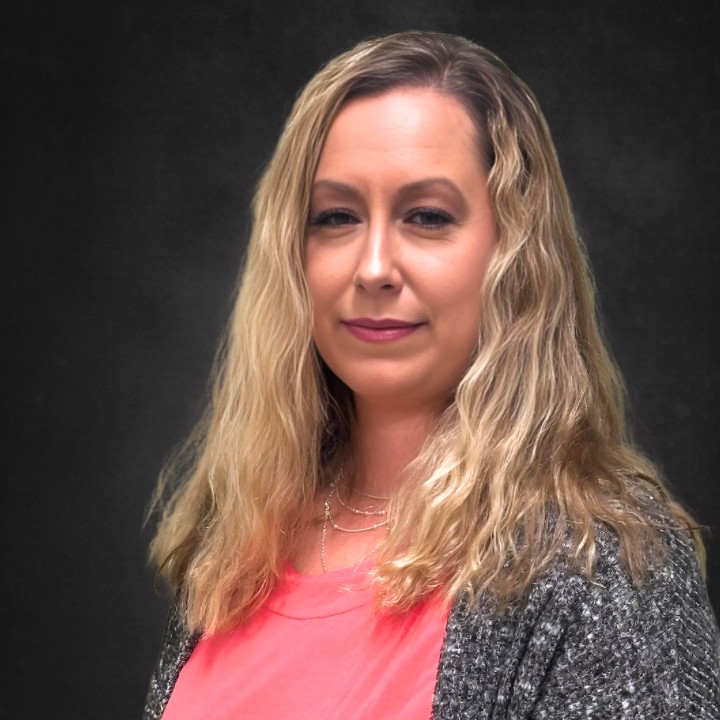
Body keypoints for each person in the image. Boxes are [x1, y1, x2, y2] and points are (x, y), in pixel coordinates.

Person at [143, 31, 720, 719]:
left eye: (426, 217)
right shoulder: (240, 545)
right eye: (335, 217)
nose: (374, 266)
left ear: (514, 252)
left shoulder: (606, 567)